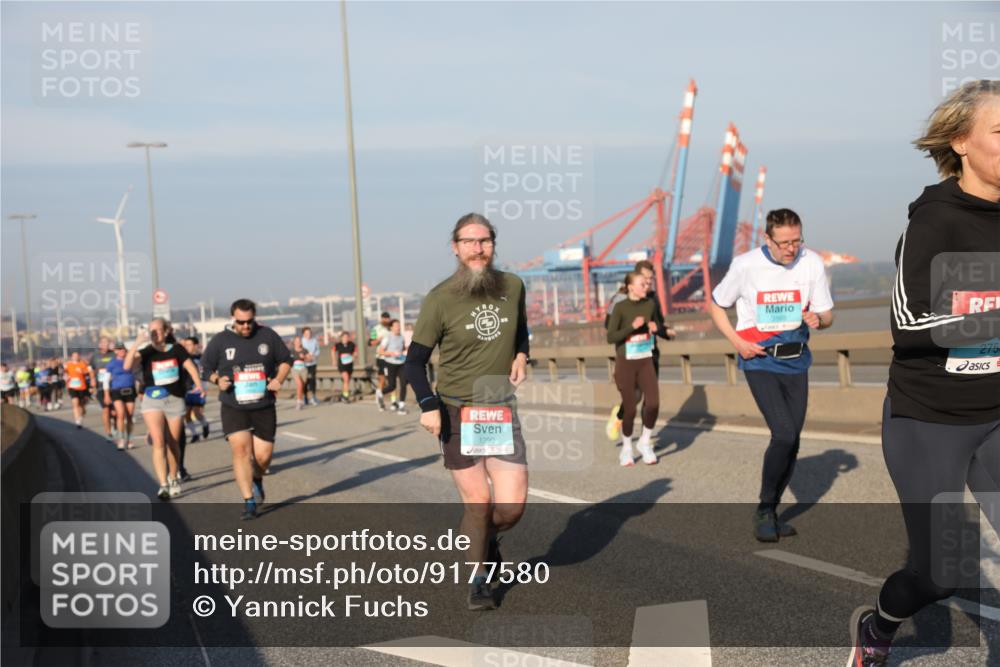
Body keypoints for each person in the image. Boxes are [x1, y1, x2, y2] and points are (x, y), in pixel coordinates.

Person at [847, 80, 1000, 667]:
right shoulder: (935, 219)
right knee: (940, 576)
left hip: (995, 416)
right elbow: (909, 323)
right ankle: (879, 626)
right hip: (929, 420)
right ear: (961, 141)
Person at [404, 213, 530, 611]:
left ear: (493, 244)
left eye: (485, 240)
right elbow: (414, 362)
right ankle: (478, 580)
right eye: (469, 241)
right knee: (478, 503)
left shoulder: (513, 285)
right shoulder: (440, 298)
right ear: (455, 248)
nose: (478, 248)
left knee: (510, 509)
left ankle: (488, 540)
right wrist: (428, 406)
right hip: (457, 412)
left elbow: (520, 329)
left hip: (499, 411)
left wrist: (523, 354)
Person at [710, 208, 834, 541]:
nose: (791, 249)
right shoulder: (746, 264)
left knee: (792, 441)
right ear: (767, 238)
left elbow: (827, 315)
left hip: (797, 361)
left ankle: (773, 512)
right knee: (782, 433)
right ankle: (764, 509)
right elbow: (716, 304)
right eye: (783, 243)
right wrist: (738, 342)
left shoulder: (812, 263)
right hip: (760, 360)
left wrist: (817, 320)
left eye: (796, 241)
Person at [201, 299, 292, 520]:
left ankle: (257, 477)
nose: (245, 326)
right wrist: (216, 380)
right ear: (234, 319)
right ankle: (248, 501)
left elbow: (286, 360)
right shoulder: (221, 340)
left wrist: (279, 379)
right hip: (234, 405)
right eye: (241, 322)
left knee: (263, 457)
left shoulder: (268, 336)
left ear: (255, 318)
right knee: (241, 452)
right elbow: (205, 367)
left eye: (249, 322)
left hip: (263, 405)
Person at [125, 319, 204, 500]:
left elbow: (190, 367)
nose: (155, 334)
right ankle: (163, 484)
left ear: (167, 331)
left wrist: (198, 384)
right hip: (152, 400)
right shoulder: (146, 352)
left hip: (175, 400)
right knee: (158, 442)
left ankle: (174, 476)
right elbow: (127, 366)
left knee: (173, 442)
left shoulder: (177, 349)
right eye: (152, 331)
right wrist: (137, 342)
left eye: (158, 331)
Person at [605, 259, 673, 441]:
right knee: (634, 396)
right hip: (628, 354)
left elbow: (659, 322)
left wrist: (664, 330)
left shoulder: (652, 298)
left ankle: (645, 436)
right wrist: (632, 327)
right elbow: (609, 328)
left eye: (651, 280)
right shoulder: (619, 300)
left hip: (650, 354)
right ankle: (618, 416)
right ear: (634, 280)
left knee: (650, 400)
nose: (648, 284)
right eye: (644, 280)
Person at [105, 342, 138, 450]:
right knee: (120, 414)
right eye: (119, 349)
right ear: (115, 351)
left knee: (130, 415)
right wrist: (106, 394)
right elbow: (106, 380)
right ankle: (120, 439)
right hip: (116, 390)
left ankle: (129, 439)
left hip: (130, 390)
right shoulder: (112, 363)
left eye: (123, 349)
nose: (122, 350)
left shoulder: (131, 359)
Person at [180, 337, 211, 443]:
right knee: (186, 414)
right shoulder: (183, 357)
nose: (187, 347)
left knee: (197, 413)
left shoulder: (201, 357)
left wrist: (204, 386)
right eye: (186, 345)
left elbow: (206, 372)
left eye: (190, 344)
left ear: (195, 345)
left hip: (199, 388)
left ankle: (205, 424)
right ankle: (195, 434)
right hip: (187, 389)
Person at [379, 319, 408, 414]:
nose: (398, 328)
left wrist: (406, 350)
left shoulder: (401, 337)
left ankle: (401, 406)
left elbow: (403, 348)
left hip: (401, 363)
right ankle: (380, 393)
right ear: (391, 327)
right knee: (392, 386)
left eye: (399, 326)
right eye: (396, 326)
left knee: (404, 383)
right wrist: (392, 353)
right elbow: (380, 351)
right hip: (390, 363)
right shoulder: (387, 337)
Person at [92, 337, 117, 441]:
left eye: (108, 342)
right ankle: (108, 432)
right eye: (103, 343)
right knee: (106, 410)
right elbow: (91, 369)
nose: (106, 344)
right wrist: (92, 380)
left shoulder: (114, 354)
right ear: (100, 345)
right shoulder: (95, 356)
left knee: (115, 412)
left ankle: (116, 426)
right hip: (101, 387)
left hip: (114, 386)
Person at [64, 352, 96, 428]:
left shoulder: (83, 364)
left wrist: (90, 379)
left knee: (81, 404)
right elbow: (65, 373)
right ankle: (78, 421)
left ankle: (82, 413)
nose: (75, 357)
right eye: (73, 356)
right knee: (75, 403)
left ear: (79, 357)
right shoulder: (68, 365)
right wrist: (65, 377)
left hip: (82, 387)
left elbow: (90, 372)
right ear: (71, 357)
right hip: (72, 387)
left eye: (77, 356)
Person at [370, 312, 391, 411]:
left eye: (388, 319)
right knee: (382, 380)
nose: (386, 320)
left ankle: (394, 401)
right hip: (381, 357)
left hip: (392, 358)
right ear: (381, 319)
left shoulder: (392, 328)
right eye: (385, 319)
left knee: (392, 379)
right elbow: (370, 342)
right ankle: (378, 395)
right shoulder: (375, 329)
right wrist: (378, 340)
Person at [300, 327, 321, 406]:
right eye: (306, 333)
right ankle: (305, 397)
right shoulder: (301, 342)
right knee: (305, 381)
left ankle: (313, 397)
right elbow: (299, 351)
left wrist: (313, 356)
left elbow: (318, 350)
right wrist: (305, 357)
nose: (308, 335)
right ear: (303, 334)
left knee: (312, 379)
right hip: (304, 364)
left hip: (313, 363)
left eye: (309, 333)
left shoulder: (314, 340)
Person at [289, 336, 311, 410]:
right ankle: (299, 402)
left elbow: (310, 359)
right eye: (297, 341)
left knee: (302, 386)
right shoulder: (291, 351)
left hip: (303, 370)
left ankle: (302, 398)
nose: (298, 342)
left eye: (299, 341)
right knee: (299, 384)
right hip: (295, 369)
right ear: (294, 342)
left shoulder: (305, 350)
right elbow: (287, 360)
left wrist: (304, 357)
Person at [334, 331, 356, 402]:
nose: (345, 339)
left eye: (347, 337)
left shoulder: (352, 344)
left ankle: (344, 394)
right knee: (346, 378)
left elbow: (355, 351)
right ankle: (346, 396)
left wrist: (354, 356)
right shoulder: (338, 345)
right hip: (342, 364)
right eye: (344, 337)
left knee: (346, 380)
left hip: (349, 365)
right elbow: (332, 350)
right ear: (341, 338)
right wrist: (333, 360)